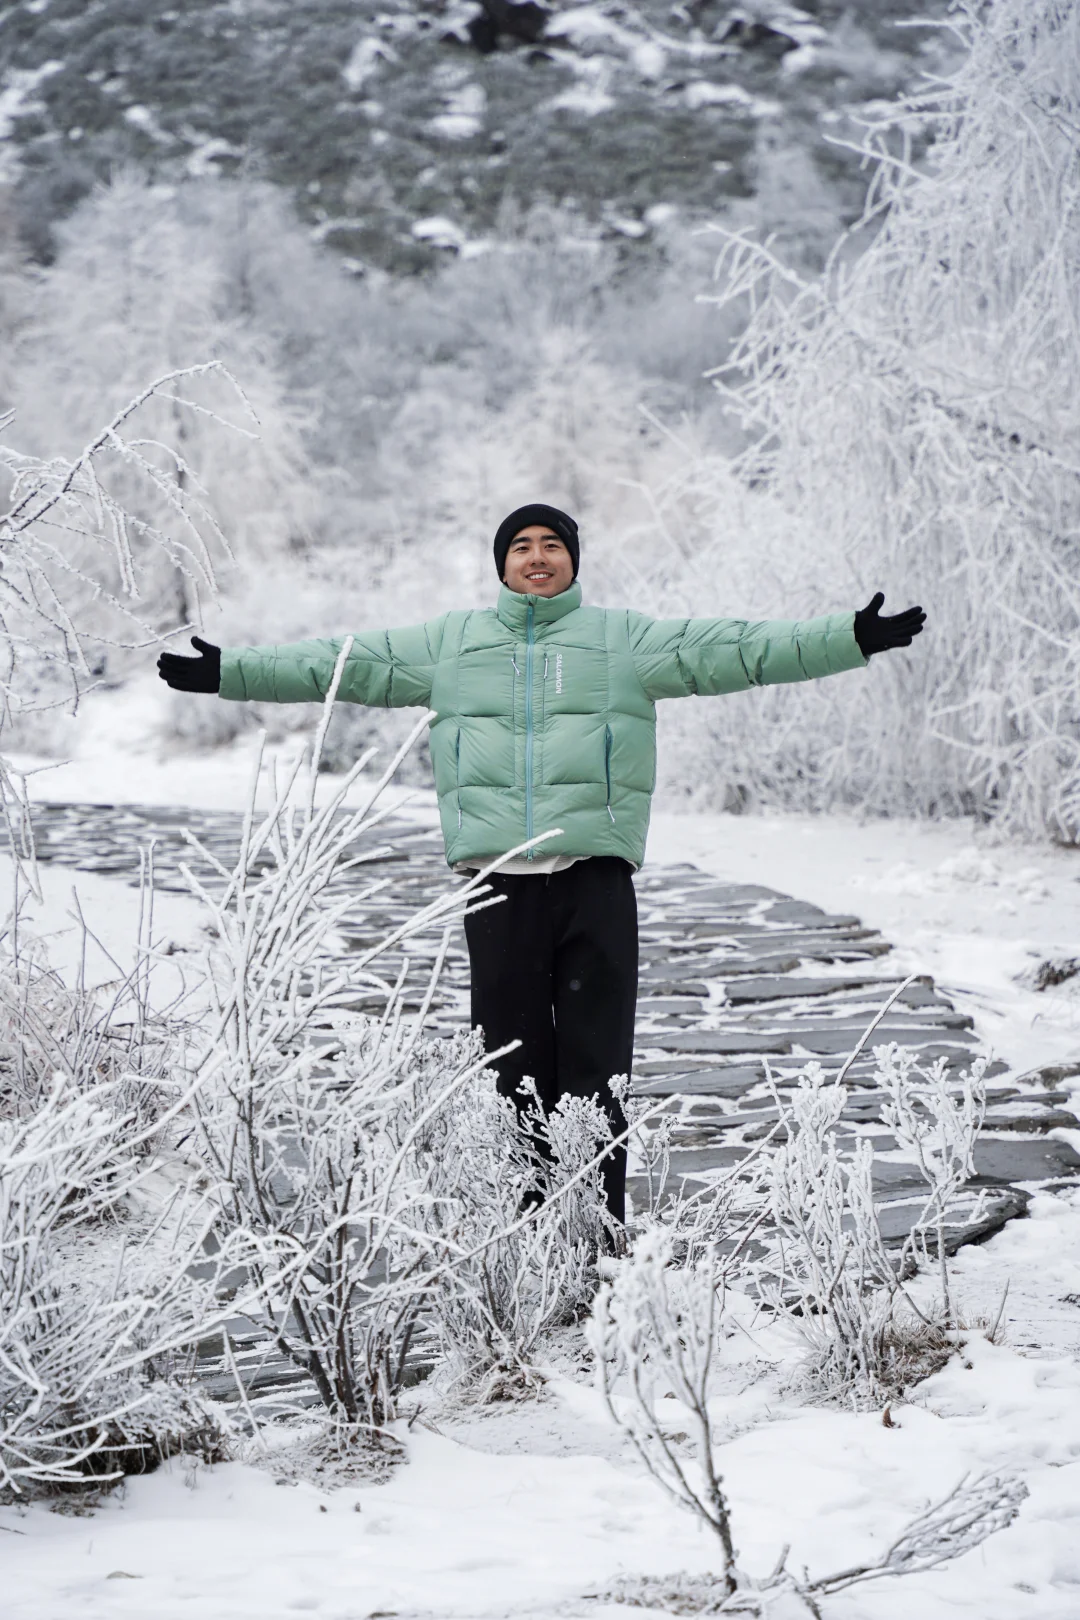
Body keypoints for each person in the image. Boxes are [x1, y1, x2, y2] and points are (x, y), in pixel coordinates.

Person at [158, 502, 926, 1221]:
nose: (537, 556)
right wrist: (231, 672)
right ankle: (524, 1236)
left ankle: (593, 1228)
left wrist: (847, 638)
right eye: (521, 546)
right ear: (501, 565)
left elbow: (737, 650)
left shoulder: (623, 639)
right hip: (499, 888)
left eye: (552, 545)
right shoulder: (451, 645)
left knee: (598, 1065)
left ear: (573, 562)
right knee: (509, 1070)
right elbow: (341, 664)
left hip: (594, 879)